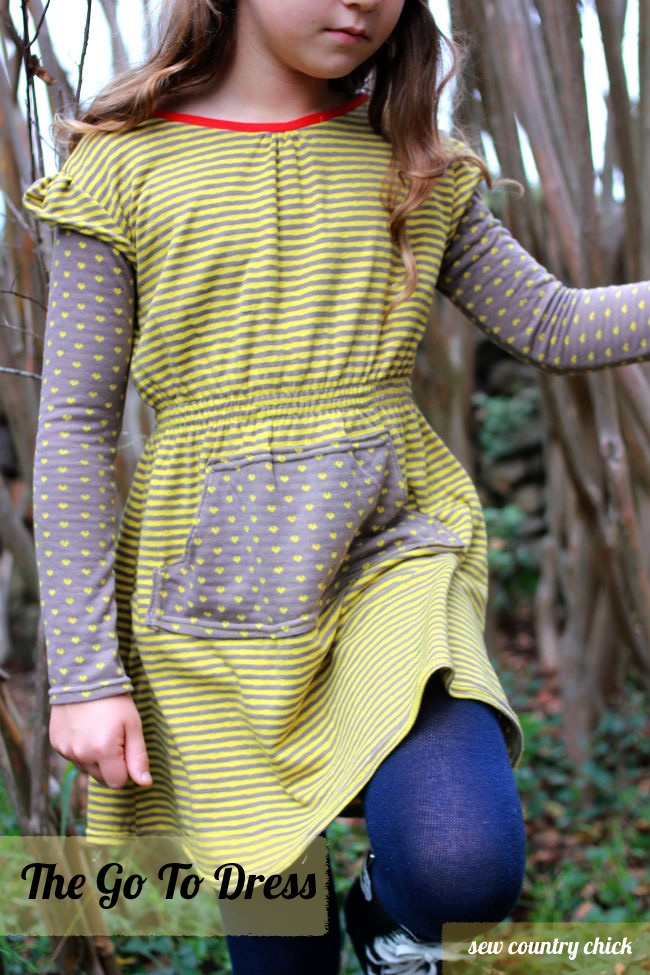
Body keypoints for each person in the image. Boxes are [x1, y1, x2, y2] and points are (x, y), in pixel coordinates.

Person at [22, 1, 650, 972]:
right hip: (209, 599)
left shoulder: (412, 159)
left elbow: (551, 322)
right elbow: (73, 427)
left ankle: (390, 928)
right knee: (281, 947)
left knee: (461, 862)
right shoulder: (119, 167)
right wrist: (84, 673)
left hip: (387, 555)